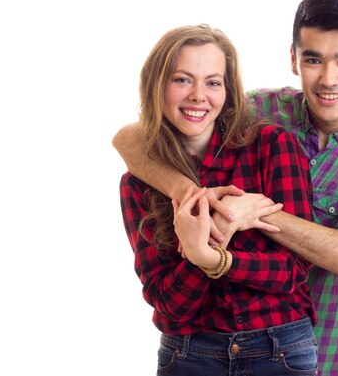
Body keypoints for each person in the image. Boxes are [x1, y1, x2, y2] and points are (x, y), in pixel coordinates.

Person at [114, 0, 338, 376]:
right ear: (294, 60)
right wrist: (188, 193)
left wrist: (242, 214)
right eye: (313, 59)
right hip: (204, 343)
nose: (328, 78)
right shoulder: (258, 112)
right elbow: (132, 137)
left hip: (321, 345)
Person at [119, 24, 319, 375]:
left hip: (280, 348)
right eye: (182, 79)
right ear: (156, 86)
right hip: (190, 353)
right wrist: (201, 257)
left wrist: (215, 258)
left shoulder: (271, 147)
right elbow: (168, 303)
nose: (199, 95)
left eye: (213, 82)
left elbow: (294, 272)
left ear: (227, 91)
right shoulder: (138, 183)